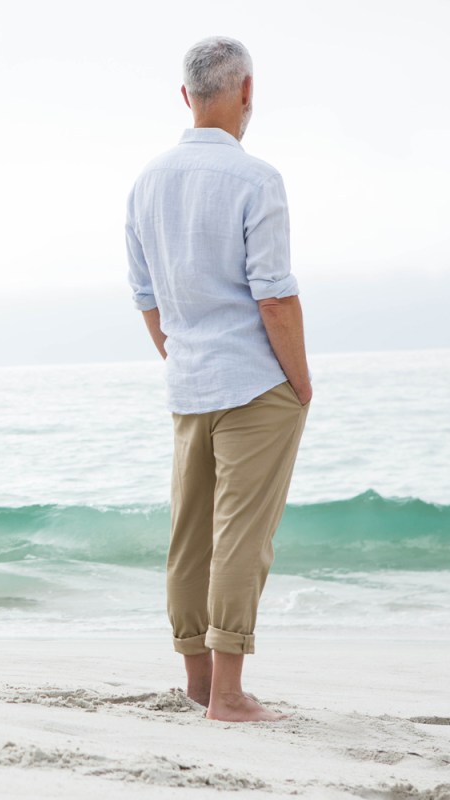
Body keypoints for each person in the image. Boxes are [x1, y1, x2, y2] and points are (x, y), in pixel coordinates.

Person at [124, 36, 311, 722]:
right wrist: (301, 383)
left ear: (186, 97)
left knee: (192, 533)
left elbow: (146, 296)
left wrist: (179, 358)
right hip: (254, 380)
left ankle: (199, 686)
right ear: (246, 92)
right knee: (240, 537)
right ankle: (229, 696)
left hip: (190, 382)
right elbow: (274, 296)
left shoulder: (147, 181)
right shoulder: (257, 179)